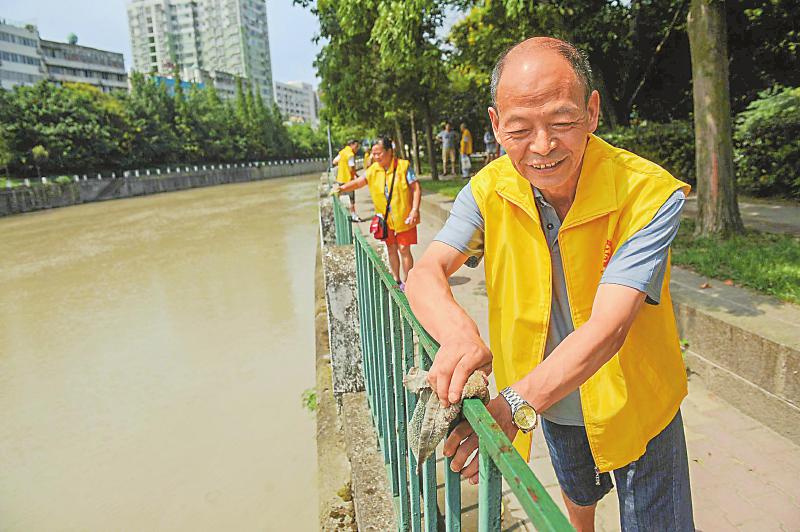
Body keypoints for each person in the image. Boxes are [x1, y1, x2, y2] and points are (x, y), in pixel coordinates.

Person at [405, 37, 694, 532]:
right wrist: (459, 335)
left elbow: (609, 327)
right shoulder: (488, 188)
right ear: (496, 126)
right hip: (553, 399)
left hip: (638, 402)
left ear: (592, 111)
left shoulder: (648, 193)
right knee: (577, 499)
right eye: (520, 129)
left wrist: (513, 402)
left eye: (562, 122)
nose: (542, 147)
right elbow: (425, 272)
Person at [337, 137, 421, 290]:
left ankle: (409, 283)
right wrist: (342, 188)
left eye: (379, 153)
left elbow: (415, 188)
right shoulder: (373, 170)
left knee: (404, 249)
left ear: (390, 152)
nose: (376, 157)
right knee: (391, 248)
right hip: (385, 219)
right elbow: (358, 182)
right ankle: (396, 280)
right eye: (374, 154)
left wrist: (415, 210)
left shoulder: (403, 166)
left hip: (404, 217)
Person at [332, 139, 362, 221]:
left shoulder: (342, 152)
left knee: (342, 197)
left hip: (340, 178)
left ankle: (343, 217)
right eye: (356, 146)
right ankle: (353, 215)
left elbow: (334, 161)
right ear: (351, 145)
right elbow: (352, 167)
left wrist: (342, 165)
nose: (357, 148)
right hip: (348, 179)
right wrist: (355, 176)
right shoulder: (350, 154)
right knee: (351, 199)